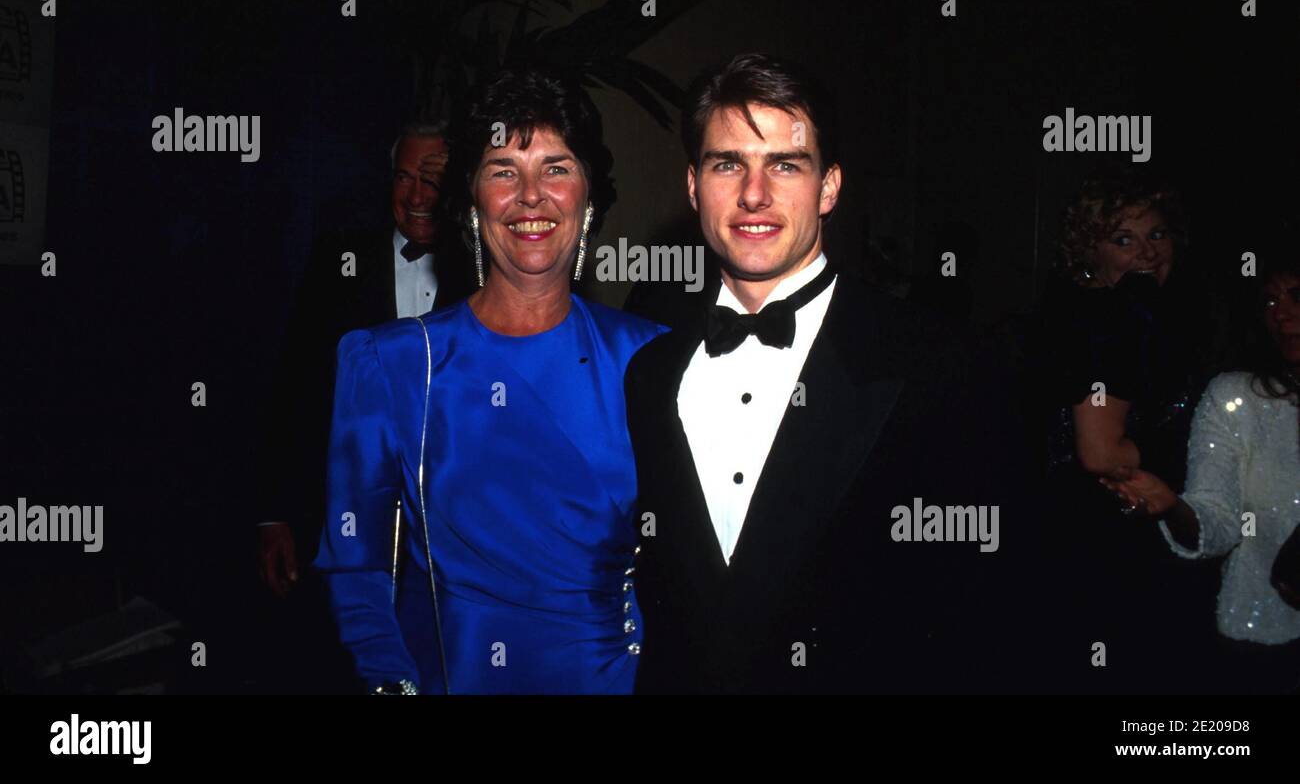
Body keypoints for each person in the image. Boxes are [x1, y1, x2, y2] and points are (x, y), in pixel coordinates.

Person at [624, 52, 1028, 694]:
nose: (754, 194)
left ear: (830, 186)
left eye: (785, 165)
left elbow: (981, 613)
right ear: (695, 186)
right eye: (728, 163)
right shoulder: (649, 375)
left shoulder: (939, 364)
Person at [313, 65, 665, 694]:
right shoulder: (392, 364)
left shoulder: (651, 360)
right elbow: (356, 564)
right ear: (472, 199)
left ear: (588, 194)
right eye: (504, 170)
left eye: (556, 167)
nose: (531, 196)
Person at [257, 122, 474, 598]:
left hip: (449, 540)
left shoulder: (482, 272)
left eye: (433, 177)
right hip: (342, 525)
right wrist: (275, 514)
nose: (418, 194)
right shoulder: (339, 261)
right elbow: (296, 385)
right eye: (404, 176)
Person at [1037, 166, 1221, 692]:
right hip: (1107, 537)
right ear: (1088, 249)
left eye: (1157, 234)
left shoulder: (1107, 308)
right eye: (1124, 239)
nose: (1147, 252)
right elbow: (1100, 452)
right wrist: (1190, 446)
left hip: (1080, 532)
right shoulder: (1113, 316)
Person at [1104, 249, 1300, 693]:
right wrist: (1172, 507)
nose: (1282, 314)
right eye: (1269, 301)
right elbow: (1218, 521)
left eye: (1296, 296)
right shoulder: (1238, 397)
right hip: (1265, 645)